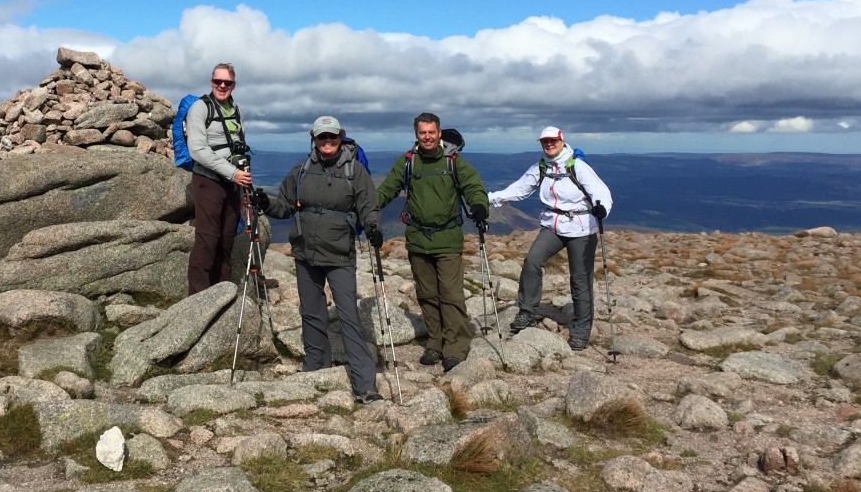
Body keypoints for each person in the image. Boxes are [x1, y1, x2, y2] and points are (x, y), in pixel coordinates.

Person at [255, 116, 384, 403]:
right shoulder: (301, 170)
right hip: (306, 252)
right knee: (312, 313)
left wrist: (373, 227)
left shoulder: (355, 171)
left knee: (349, 315)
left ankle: (364, 385)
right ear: (314, 139)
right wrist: (266, 205)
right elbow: (285, 206)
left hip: (339, 255)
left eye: (333, 137)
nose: (328, 142)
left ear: (341, 138)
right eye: (322, 137)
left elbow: (368, 206)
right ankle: (316, 368)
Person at [376, 113, 489, 370]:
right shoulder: (408, 162)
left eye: (431, 132)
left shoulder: (453, 161)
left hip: (447, 239)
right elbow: (387, 189)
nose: (427, 137)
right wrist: (369, 209)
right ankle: (435, 343)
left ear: (439, 133)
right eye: (422, 132)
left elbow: (473, 186)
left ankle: (455, 347)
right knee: (427, 295)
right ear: (416, 134)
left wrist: (480, 206)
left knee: (450, 294)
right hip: (417, 239)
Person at [488, 126, 613, 351]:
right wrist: (489, 198)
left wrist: (602, 207)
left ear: (561, 141)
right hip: (553, 226)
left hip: (581, 229)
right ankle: (527, 311)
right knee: (532, 261)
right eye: (545, 142)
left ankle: (581, 331)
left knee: (580, 280)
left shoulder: (578, 166)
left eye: (552, 141)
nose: (548, 145)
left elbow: (600, 190)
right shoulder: (541, 167)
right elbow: (519, 189)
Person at [184, 63, 252, 294]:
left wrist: (240, 173)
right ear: (211, 81)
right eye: (218, 81)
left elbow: (238, 144)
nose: (222, 86)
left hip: (233, 184)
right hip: (209, 180)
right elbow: (197, 150)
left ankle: (222, 293)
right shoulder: (200, 108)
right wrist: (233, 173)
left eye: (227, 82)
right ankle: (198, 298)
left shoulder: (236, 109)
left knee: (227, 239)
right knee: (207, 239)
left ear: (234, 85)